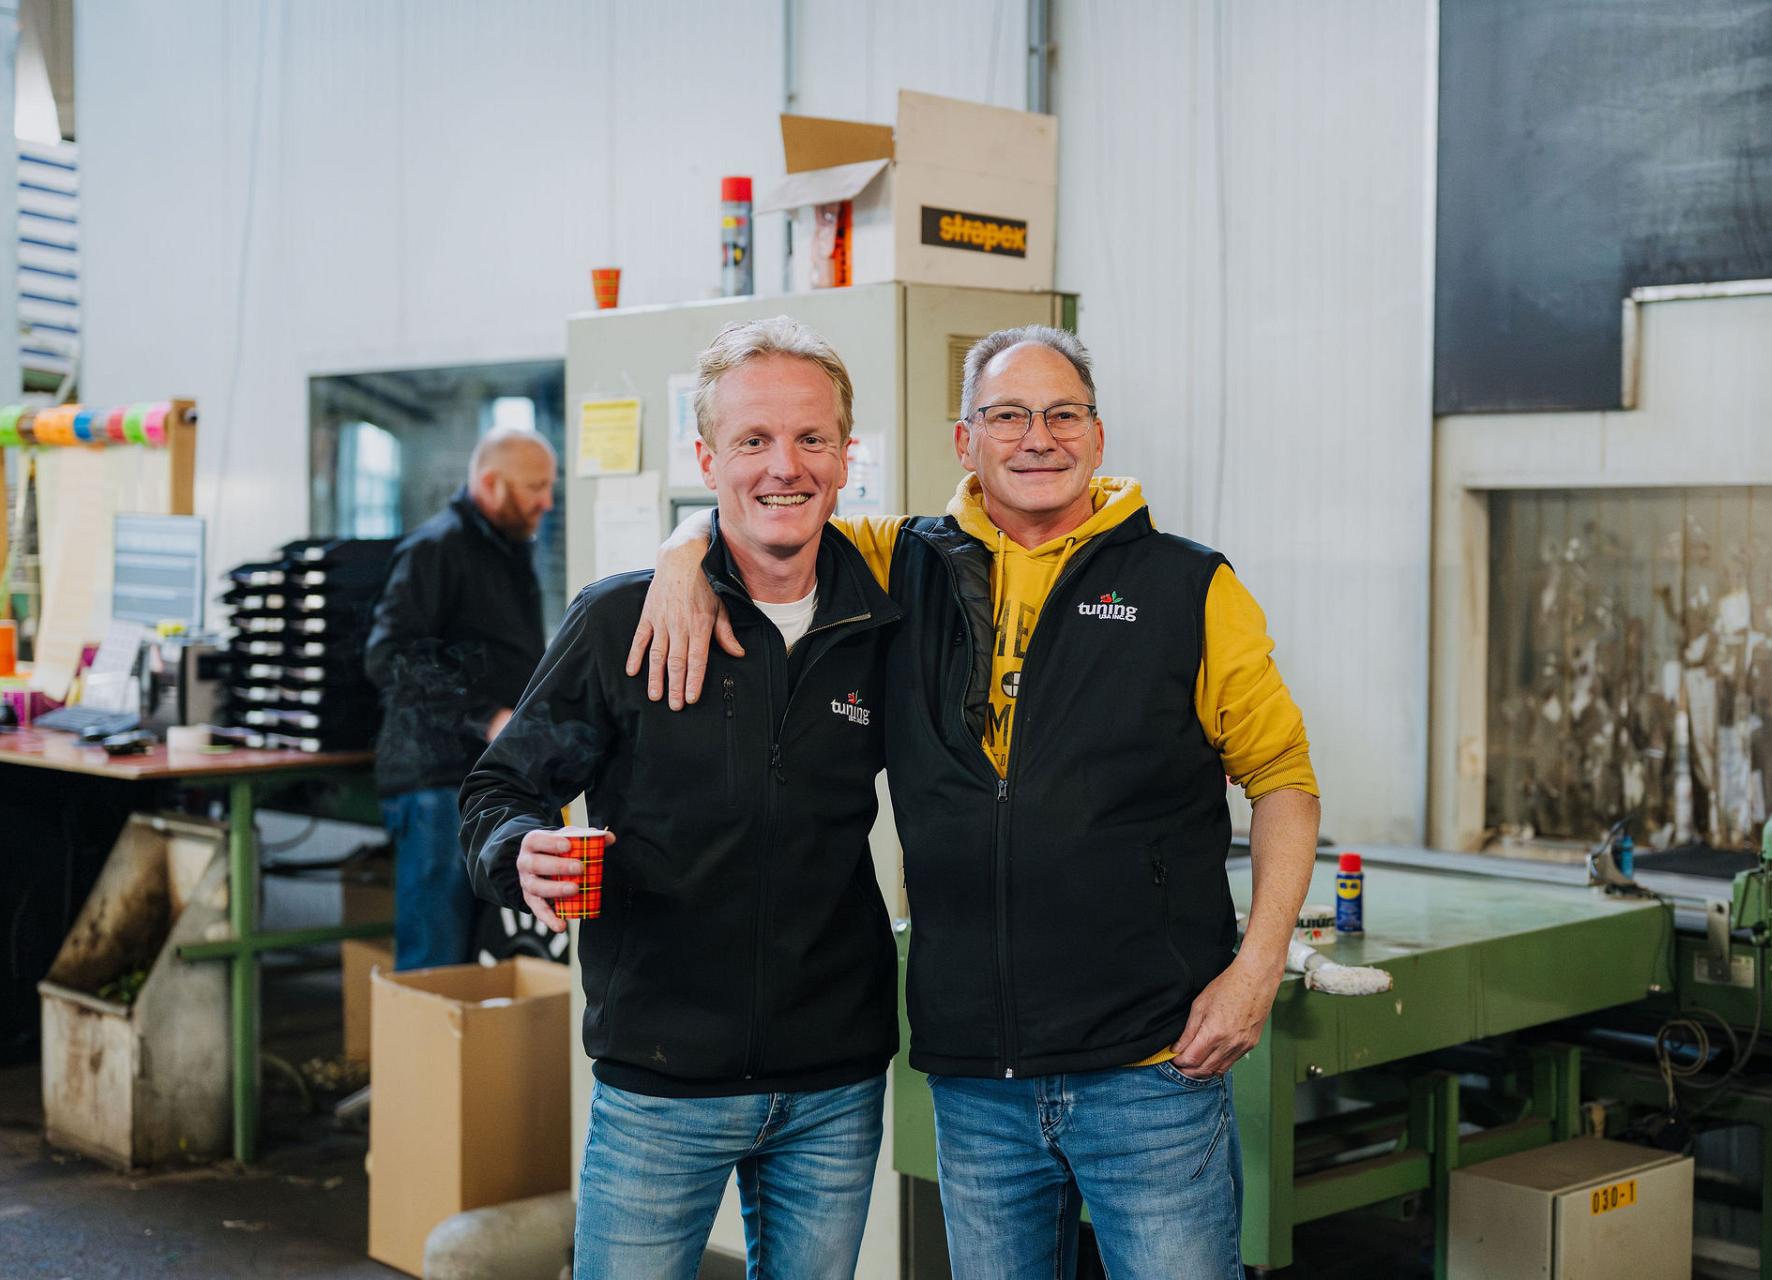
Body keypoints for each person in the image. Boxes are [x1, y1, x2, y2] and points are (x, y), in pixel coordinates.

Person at [633, 325, 1321, 1278]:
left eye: (1063, 414)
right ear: (966, 440)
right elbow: (774, 513)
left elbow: (1283, 781)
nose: (1038, 438)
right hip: (977, 1078)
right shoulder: (896, 562)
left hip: (1152, 1065)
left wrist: (1256, 971)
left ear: (1098, 434)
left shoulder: (1187, 585)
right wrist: (681, 549)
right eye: (1008, 415)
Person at [460, 317, 900, 1279]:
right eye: (752, 439)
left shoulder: (887, 617)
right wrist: (516, 850)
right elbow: (501, 789)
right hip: (661, 1078)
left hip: (835, 1079)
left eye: (811, 437)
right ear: (706, 459)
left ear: (845, 454)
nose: (784, 466)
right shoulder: (621, 620)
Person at [365, 427, 555, 971]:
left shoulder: (509, 551)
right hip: (436, 784)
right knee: (436, 960)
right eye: (535, 487)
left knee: (480, 957)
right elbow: (390, 656)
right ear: (491, 484)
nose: (547, 501)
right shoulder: (436, 549)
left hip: (487, 781)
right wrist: (485, 715)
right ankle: (420, 1034)